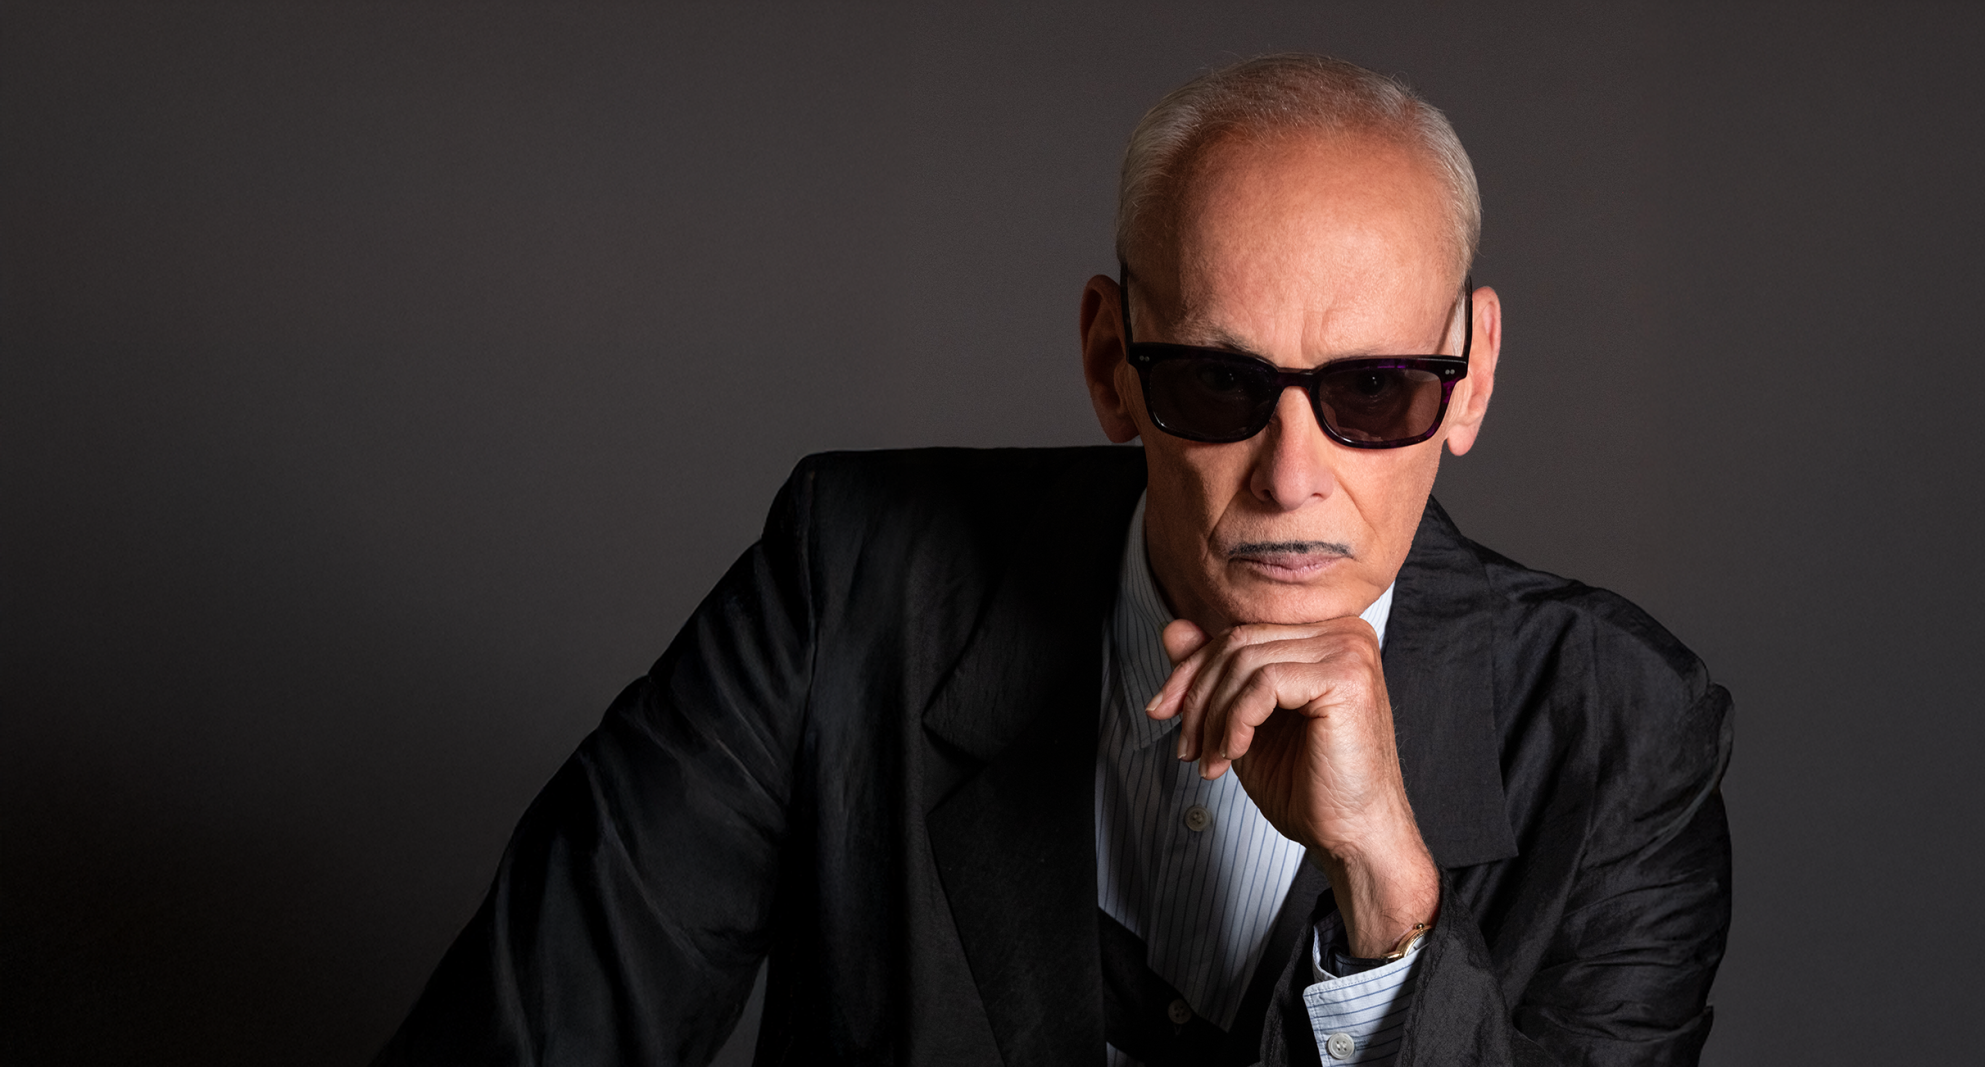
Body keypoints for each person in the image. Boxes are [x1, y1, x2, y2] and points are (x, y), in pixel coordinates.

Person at [377, 54, 1730, 1066]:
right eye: (1216, 382)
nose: (1295, 472)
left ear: (1473, 374)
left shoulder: (1625, 736)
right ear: (1109, 364)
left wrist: (1388, 896)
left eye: (1375, 389)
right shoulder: (848, 582)